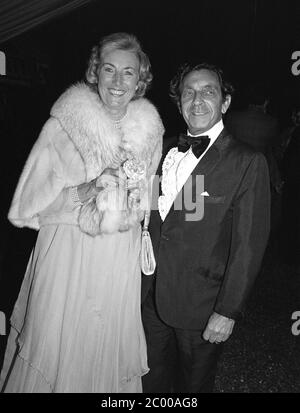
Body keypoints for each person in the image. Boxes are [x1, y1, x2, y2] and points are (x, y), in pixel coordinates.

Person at [0, 32, 164, 393]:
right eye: (109, 69)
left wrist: (137, 196)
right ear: (95, 72)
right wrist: (86, 190)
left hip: (118, 258)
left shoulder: (151, 131)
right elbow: (25, 209)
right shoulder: (63, 125)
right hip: (68, 256)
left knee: (104, 347)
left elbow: (145, 199)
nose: (118, 82)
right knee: (59, 348)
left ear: (141, 79)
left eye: (128, 72)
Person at [141, 63, 270, 393]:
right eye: (189, 92)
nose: (197, 100)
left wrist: (227, 311)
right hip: (149, 297)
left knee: (193, 389)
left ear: (225, 102)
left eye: (208, 91)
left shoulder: (246, 161)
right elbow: (162, 220)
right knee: (149, 382)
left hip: (201, 306)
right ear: (179, 101)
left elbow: (248, 246)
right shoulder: (164, 149)